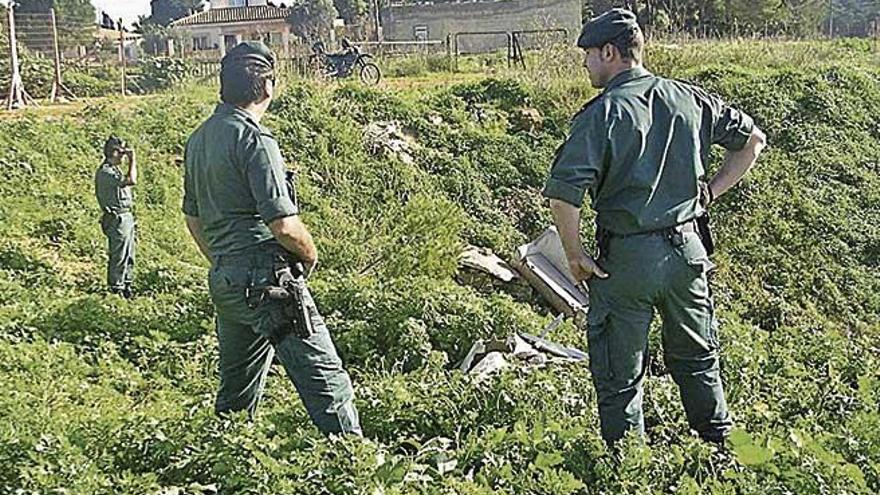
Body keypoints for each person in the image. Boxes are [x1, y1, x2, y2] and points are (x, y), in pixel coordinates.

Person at [543, 9, 767, 444]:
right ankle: (719, 452)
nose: (586, 64)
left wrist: (574, 256)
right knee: (699, 359)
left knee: (619, 375)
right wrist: (711, 192)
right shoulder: (690, 98)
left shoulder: (602, 113)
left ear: (610, 52)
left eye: (588, 55)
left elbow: (563, 195)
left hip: (627, 259)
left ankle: (628, 470)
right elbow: (753, 142)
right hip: (687, 251)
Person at [182, 41, 361, 435]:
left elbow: (193, 218)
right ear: (267, 87)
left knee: (237, 393)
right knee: (328, 385)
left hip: (226, 281)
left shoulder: (199, 139)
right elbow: (284, 225)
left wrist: (224, 260)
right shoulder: (255, 139)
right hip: (268, 281)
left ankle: (227, 457)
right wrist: (309, 259)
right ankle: (358, 467)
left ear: (222, 87)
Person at [95, 136, 137, 298]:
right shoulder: (106, 171)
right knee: (118, 254)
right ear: (113, 152)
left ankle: (127, 285)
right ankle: (115, 288)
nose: (123, 156)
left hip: (125, 215)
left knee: (129, 253)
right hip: (116, 217)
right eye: (121, 152)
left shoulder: (115, 169)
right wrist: (133, 161)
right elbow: (131, 180)